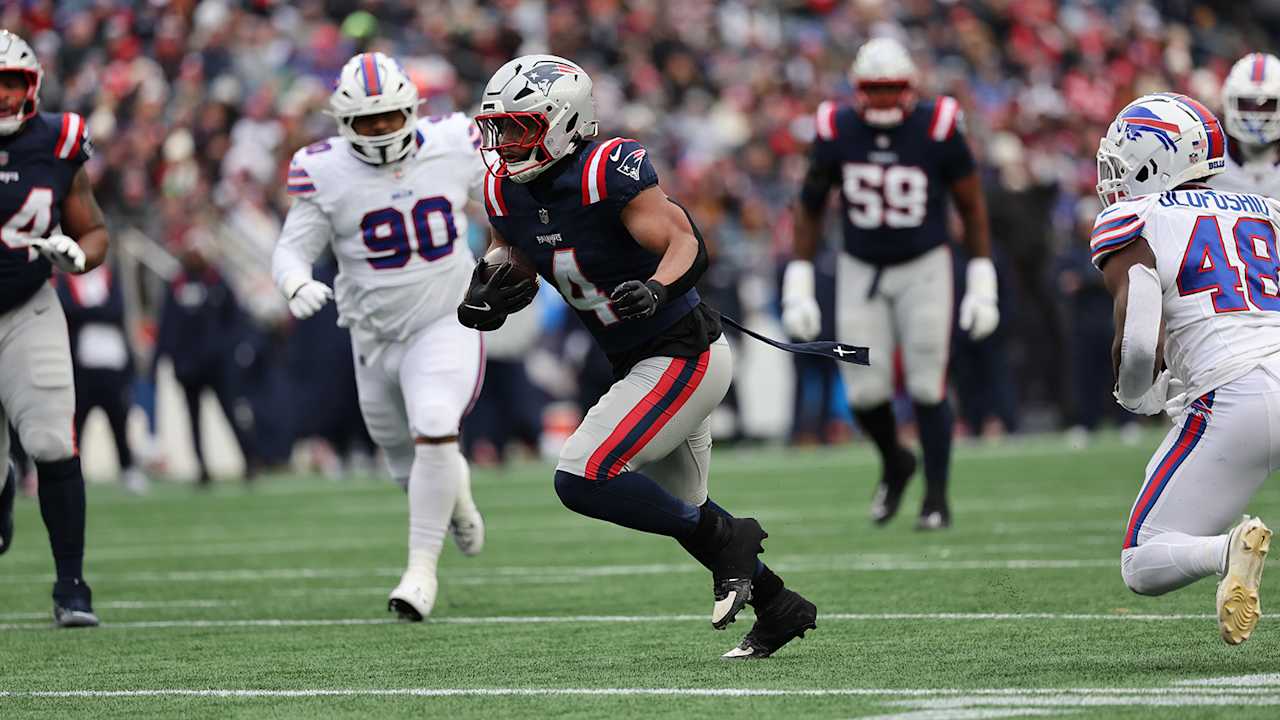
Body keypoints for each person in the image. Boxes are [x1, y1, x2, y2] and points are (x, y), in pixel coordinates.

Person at [460, 54, 817, 659]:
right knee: (685, 509)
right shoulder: (503, 189)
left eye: (518, 127)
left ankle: (734, 541)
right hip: (634, 362)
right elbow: (512, 250)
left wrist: (657, 286)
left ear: (562, 121)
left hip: (685, 353)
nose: (504, 143)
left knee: (582, 476)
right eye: (498, 129)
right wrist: (491, 289)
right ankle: (780, 604)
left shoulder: (606, 170)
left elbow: (685, 242)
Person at [272, 52, 485, 621]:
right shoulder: (324, 169)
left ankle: (420, 573)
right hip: (370, 337)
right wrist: (294, 283)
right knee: (401, 461)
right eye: (369, 121)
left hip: (446, 318)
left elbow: (504, 200)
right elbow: (293, 247)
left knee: (436, 423)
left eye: (391, 116)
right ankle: (455, 488)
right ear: (344, 122)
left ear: (413, 110)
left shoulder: (455, 141)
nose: (383, 130)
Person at [780, 37, 998, 530]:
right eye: (873, 89)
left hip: (925, 266)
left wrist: (983, 279)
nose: (881, 99)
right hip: (860, 269)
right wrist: (799, 280)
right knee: (862, 392)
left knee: (926, 383)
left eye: (890, 88)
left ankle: (937, 497)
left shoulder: (938, 126)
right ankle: (897, 461)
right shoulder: (836, 128)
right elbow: (810, 206)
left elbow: (971, 205)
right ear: (858, 89)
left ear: (909, 87)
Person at [1092, 92, 1276, 645]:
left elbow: (1142, 327)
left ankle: (1229, 549)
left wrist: (1135, 393)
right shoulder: (1266, 210)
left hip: (1234, 394)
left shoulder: (1134, 216)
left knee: (1143, 558)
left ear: (1153, 162)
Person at [0, 30, 110, 627]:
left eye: (9, 82)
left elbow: (95, 229)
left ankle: (72, 585)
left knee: (50, 441)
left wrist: (77, 255)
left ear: (31, 86)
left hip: (28, 308)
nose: (0, 95)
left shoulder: (58, 140)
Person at [56, 264, 147, 494]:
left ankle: (128, 469)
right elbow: (69, 311)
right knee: (78, 424)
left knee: (119, 421)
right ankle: (75, 474)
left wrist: (88, 310)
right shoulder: (67, 280)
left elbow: (116, 310)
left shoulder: (109, 276)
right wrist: (97, 310)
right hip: (82, 365)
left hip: (112, 363)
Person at [1212, 53, 1280, 200]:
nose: (1255, 115)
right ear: (1227, 102)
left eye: (1267, 105)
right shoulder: (1207, 159)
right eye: (1245, 103)